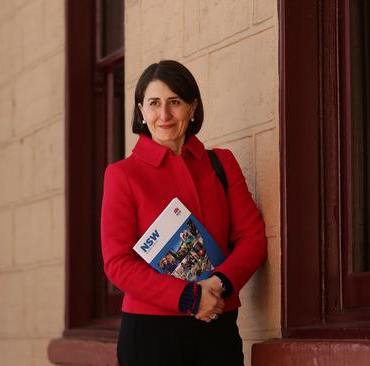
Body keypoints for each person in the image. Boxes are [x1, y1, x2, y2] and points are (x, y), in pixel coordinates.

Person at [101, 60, 267, 366]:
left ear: (192, 108)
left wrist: (217, 285)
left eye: (174, 102)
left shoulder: (222, 163)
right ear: (141, 111)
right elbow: (117, 263)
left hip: (217, 323)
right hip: (151, 334)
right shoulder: (122, 175)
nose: (163, 115)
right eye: (154, 103)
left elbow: (253, 238)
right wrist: (190, 297)